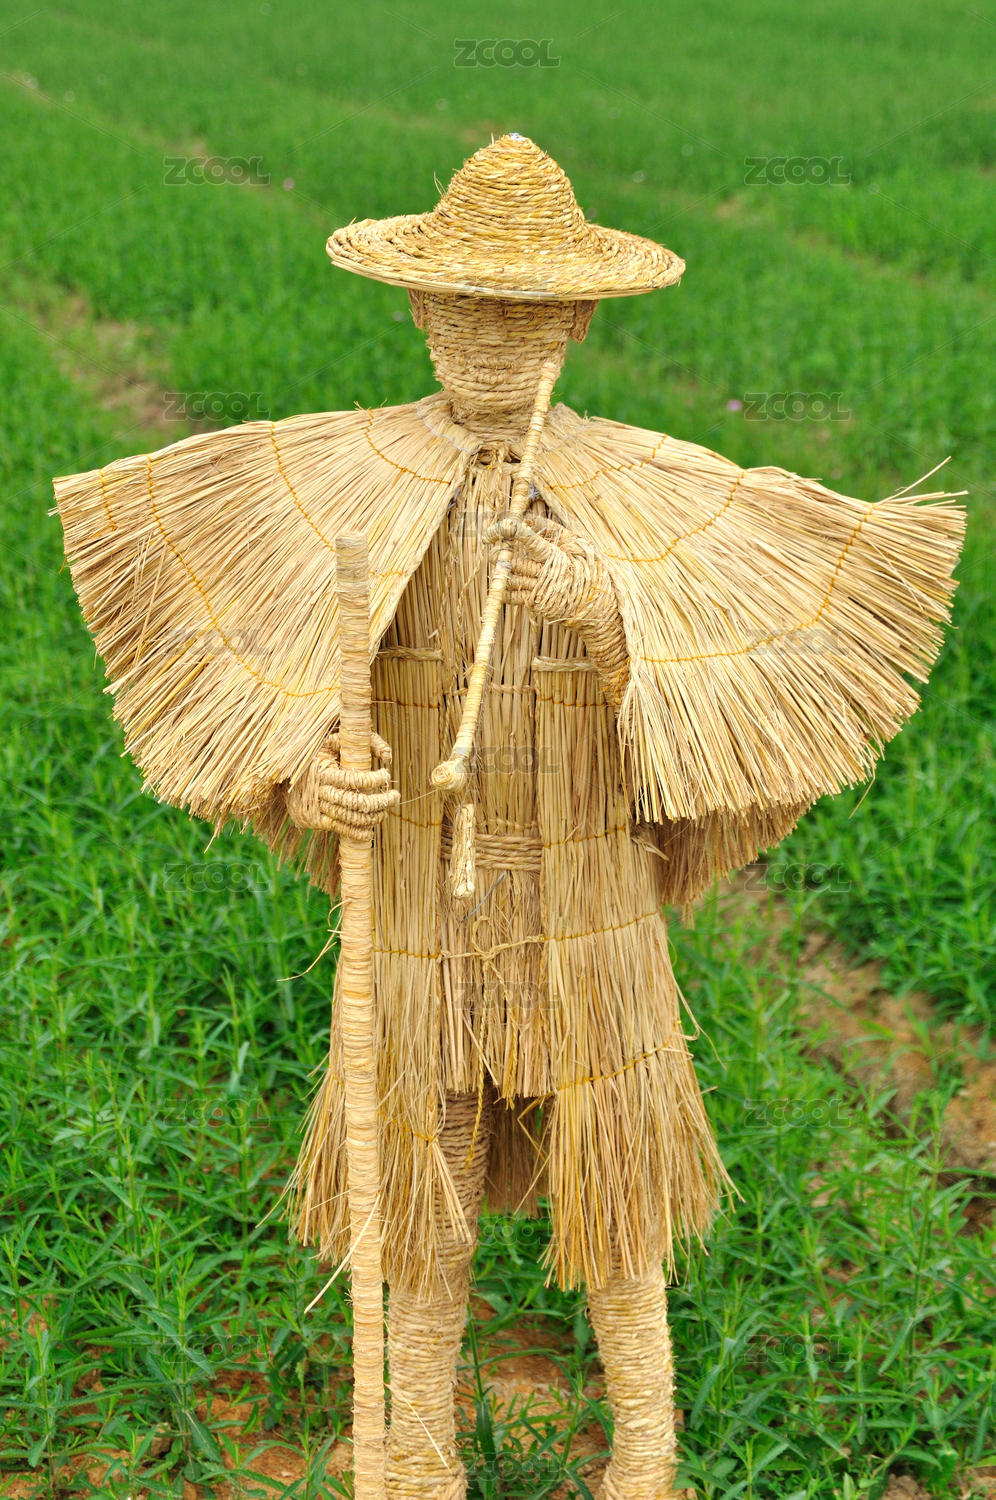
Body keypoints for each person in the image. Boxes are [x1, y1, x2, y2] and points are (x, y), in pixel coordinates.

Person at [54, 135, 964, 1500]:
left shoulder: (651, 496)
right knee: (421, 1195)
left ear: (578, 322)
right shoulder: (338, 481)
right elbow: (275, 700)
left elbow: (733, 715)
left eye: (527, 318)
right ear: (420, 312)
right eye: (467, 312)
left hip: (588, 905)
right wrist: (310, 785)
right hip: (424, 912)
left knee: (619, 1194)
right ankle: (417, 1451)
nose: (493, 343)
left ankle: (646, 1450)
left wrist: (609, 618)